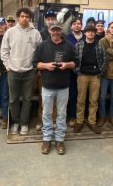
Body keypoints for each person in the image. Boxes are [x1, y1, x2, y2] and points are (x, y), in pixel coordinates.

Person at [33, 21, 78, 155]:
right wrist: (46, 66)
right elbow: (35, 63)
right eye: (53, 30)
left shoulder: (69, 46)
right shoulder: (42, 46)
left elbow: (76, 62)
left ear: (61, 30)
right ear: (49, 30)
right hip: (47, 86)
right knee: (46, 114)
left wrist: (67, 65)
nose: (56, 32)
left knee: (61, 114)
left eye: (58, 30)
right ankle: (47, 139)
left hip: (64, 86)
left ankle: (59, 139)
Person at [1, 7, 42, 135]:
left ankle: (24, 123)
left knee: (27, 99)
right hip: (13, 71)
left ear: (30, 19)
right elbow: (4, 51)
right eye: (22, 16)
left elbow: (40, 52)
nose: (25, 18)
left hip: (29, 72)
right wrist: (8, 66)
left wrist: (35, 68)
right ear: (18, 17)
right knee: (13, 99)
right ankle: (15, 122)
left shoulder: (35, 33)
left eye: (27, 17)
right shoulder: (10, 32)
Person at [74, 25, 106, 134]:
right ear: (85, 33)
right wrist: (77, 72)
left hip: (95, 77)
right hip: (82, 76)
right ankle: (79, 121)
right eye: (88, 31)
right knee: (81, 100)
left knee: (93, 100)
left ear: (95, 33)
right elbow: (74, 59)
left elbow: (104, 60)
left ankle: (92, 121)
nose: (90, 33)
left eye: (92, 31)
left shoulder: (100, 46)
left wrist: (100, 72)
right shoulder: (78, 45)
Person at [66, 18, 85, 127]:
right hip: (71, 71)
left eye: (79, 24)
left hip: (84, 71)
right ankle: (72, 116)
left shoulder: (87, 36)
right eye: (74, 24)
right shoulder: (67, 37)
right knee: (72, 94)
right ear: (71, 26)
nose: (77, 25)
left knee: (82, 95)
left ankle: (82, 116)